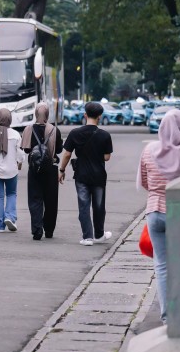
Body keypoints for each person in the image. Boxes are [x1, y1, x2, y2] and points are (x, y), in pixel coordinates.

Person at [138, 108, 180, 323]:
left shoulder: (149, 150)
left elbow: (145, 182)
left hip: (155, 212)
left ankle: (167, 316)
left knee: (162, 265)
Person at [59, 101, 114, 246]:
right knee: (99, 206)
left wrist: (62, 170)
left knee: (84, 206)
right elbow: (107, 157)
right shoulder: (105, 135)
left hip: (81, 175)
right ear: (99, 116)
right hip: (99, 176)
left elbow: (67, 154)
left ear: (85, 115)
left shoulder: (75, 133)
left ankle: (87, 237)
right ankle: (99, 235)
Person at [21, 103, 62, 240]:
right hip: (51, 169)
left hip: (34, 169)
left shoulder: (28, 129)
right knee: (51, 200)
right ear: (48, 114)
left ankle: (37, 230)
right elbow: (59, 150)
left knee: (35, 199)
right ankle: (49, 230)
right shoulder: (54, 130)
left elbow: (26, 149)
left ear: (35, 113)